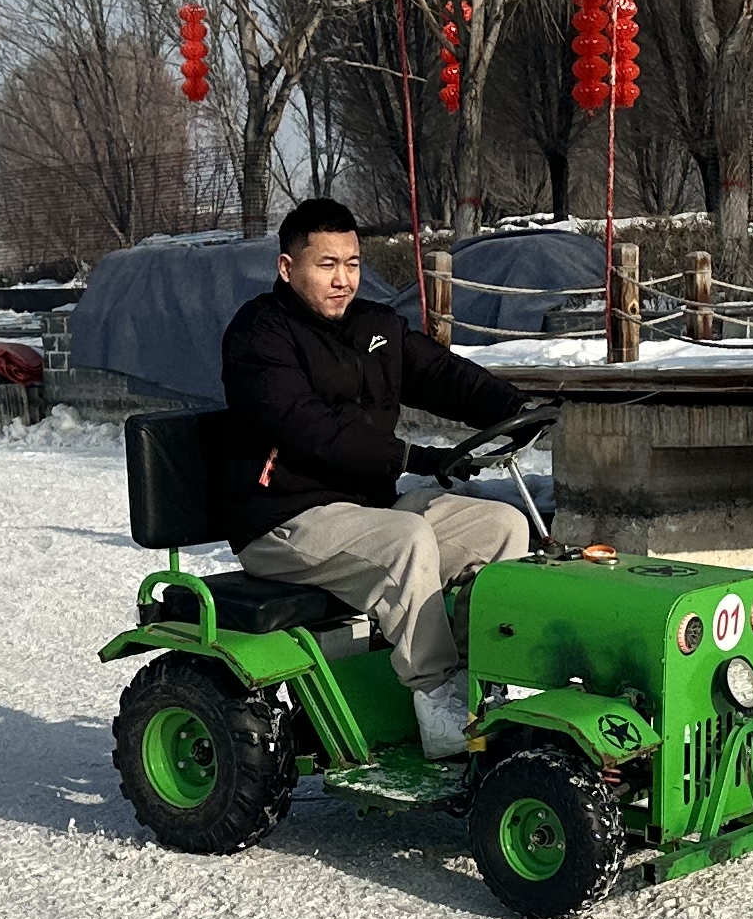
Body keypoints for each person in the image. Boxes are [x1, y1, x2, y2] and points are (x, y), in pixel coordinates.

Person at [218, 198, 536, 758]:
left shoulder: (373, 326)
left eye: (353, 263)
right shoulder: (259, 336)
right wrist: (413, 457)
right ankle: (437, 699)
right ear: (288, 268)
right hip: (284, 520)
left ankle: (477, 682)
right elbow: (308, 430)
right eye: (327, 265)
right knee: (406, 540)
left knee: (502, 525)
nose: (343, 280)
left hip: (363, 512)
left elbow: (439, 374)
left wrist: (511, 405)